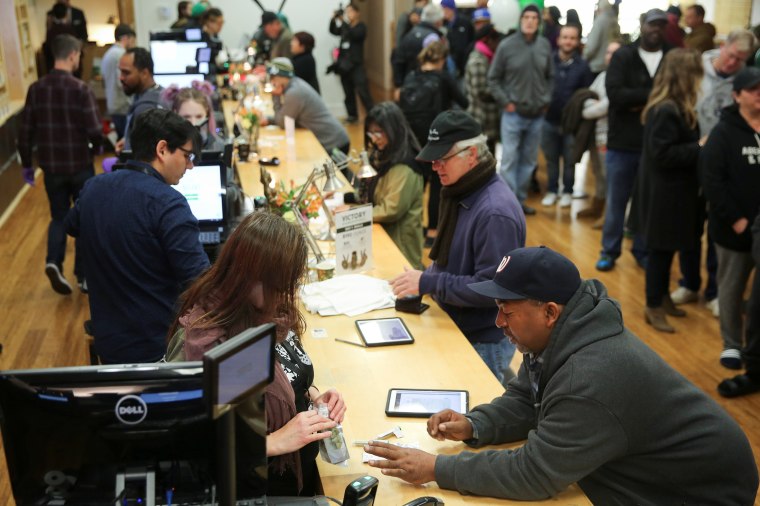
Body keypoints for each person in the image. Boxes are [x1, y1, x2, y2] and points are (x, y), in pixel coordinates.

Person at [366, 246, 759, 504]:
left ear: (550, 311)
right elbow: (527, 398)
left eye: (507, 309)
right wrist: (475, 424)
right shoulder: (563, 332)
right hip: (651, 469)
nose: (498, 321)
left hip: (699, 494)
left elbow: (534, 474)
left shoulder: (588, 378)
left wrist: (437, 468)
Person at [165, 211, 346, 496]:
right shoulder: (212, 345)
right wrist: (274, 441)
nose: (289, 294)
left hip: (295, 474)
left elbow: (281, 376)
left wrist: (311, 395)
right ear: (251, 280)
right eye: (284, 285)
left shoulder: (270, 312)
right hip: (258, 487)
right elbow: (196, 442)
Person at [390, 110, 526, 385]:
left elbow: (491, 289)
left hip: (480, 339)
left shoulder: (494, 213)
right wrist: (426, 277)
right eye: (433, 159)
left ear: (472, 154)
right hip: (456, 323)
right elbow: (453, 259)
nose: (435, 166)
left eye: (443, 159)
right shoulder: (460, 190)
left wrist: (429, 282)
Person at [65, 109, 210, 364]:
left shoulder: (93, 187)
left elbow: (72, 225)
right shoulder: (169, 204)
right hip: (157, 348)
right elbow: (200, 283)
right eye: (187, 156)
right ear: (162, 149)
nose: (190, 165)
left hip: (108, 342)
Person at [674, 29, 756, 317]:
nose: (734, 63)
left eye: (741, 59)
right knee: (689, 226)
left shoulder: (746, 81)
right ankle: (689, 282)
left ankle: (715, 291)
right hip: (694, 155)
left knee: (718, 231)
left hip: (725, 162)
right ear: (724, 47)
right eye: (731, 55)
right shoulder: (698, 68)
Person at [18, 34, 102, 295]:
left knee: (58, 217)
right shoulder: (80, 89)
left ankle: (53, 262)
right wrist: (97, 147)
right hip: (79, 166)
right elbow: (95, 129)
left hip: (52, 168)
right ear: (73, 55)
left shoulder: (36, 89)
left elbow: (25, 132)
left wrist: (26, 165)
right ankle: (84, 276)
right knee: (85, 218)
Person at [631, 48, 704, 333]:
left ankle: (662, 298)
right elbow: (663, 155)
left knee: (668, 250)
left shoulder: (674, 106)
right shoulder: (666, 110)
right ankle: (653, 305)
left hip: (672, 192)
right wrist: (699, 147)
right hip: (664, 194)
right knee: (659, 254)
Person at [596, 9, 670, 272]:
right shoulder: (624, 56)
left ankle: (642, 249)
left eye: (661, 25)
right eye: (652, 24)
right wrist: (653, 96)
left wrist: (637, 101)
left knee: (646, 203)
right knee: (617, 202)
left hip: (656, 145)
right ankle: (609, 250)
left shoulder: (670, 56)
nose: (656, 30)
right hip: (622, 144)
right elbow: (616, 96)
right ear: (642, 25)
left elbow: (673, 97)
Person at [701, 66, 760, 371]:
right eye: (753, 89)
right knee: (731, 288)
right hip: (734, 229)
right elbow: (712, 181)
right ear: (737, 95)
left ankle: (754, 347)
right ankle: (732, 344)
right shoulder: (724, 132)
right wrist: (736, 219)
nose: (759, 93)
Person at [400, 41, 469, 248]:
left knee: (418, 183)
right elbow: (463, 101)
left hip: (413, 138)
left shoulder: (411, 76)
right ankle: (432, 231)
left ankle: (412, 226)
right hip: (436, 138)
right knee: (438, 184)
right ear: (442, 59)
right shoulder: (443, 78)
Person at [487, 4, 553, 216]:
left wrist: (546, 99)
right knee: (509, 161)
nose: (530, 21)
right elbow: (493, 78)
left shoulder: (544, 45)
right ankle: (507, 206)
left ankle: (520, 201)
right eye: (527, 17)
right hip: (513, 114)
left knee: (528, 161)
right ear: (520, 20)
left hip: (537, 115)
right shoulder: (506, 46)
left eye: (535, 17)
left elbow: (551, 76)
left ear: (539, 22)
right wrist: (506, 101)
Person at [361, 102, 424, 269]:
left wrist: (355, 215)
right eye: (371, 132)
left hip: (401, 246)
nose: (374, 139)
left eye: (378, 132)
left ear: (393, 130)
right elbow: (375, 188)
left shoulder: (405, 167)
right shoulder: (384, 153)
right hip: (387, 235)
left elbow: (391, 209)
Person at [540, 24, 593, 208]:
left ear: (577, 41)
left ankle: (568, 191)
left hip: (572, 124)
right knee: (551, 159)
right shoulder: (549, 61)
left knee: (570, 161)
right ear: (558, 39)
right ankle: (552, 190)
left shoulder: (583, 66)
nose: (568, 41)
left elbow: (587, 94)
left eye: (572, 38)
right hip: (549, 120)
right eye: (565, 37)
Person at [260, 58, 350, 156]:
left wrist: (275, 95)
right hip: (333, 139)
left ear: (281, 76)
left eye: (273, 77)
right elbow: (288, 117)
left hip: (334, 144)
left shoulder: (294, 93)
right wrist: (268, 120)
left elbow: (283, 122)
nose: (272, 81)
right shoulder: (295, 84)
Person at [578, 40, 621, 227]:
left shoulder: (622, 78)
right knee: (598, 173)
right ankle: (597, 206)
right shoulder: (602, 76)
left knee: (609, 176)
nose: (610, 56)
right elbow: (586, 99)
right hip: (595, 133)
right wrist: (594, 105)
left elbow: (606, 105)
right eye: (608, 52)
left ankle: (608, 216)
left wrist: (594, 106)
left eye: (615, 53)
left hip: (611, 135)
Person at [329, 3, 374, 123]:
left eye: (351, 11)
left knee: (363, 91)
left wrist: (343, 21)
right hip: (344, 65)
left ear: (357, 12)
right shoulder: (345, 27)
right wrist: (333, 19)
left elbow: (354, 35)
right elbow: (333, 31)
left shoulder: (361, 27)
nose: (349, 14)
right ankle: (352, 115)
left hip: (356, 64)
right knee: (348, 92)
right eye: (347, 11)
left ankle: (373, 115)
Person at [118, 47, 163, 153]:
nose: (121, 78)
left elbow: (143, 154)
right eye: (121, 72)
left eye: (126, 73)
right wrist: (127, 141)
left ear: (144, 73)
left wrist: (127, 150)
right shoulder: (161, 94)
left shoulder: (145, 109)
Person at [465, 24, 501, 154]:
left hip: (488, 120)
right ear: (487, 40)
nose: (498, 45)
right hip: (482, 120)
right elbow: (480, 91)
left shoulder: (486, 57)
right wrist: (501, 92)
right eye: (496, 41)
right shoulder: (478, 61)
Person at [392, 3, 444, 89]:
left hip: (409, 82)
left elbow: (399, 59)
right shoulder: (433, 38)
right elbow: (437, 67)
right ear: (438, 22)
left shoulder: (410, 33)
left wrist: (399, 84)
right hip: (426, 86)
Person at [163, 83, 225, 152]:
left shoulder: (219, 146)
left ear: (207, 114)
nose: (193, 123)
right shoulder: (163, 149)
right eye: (186, 117)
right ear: (175, 114)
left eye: (199, 117)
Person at [101, 24, 136, 140]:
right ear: (125, 38)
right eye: (132, 40)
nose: (133, 44)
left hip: (113, 103)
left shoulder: (108, 54)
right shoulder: (121, 54)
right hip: (122, 105)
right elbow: (121, 81)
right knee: (126, 142)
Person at [583, 0, 620, 76]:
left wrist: (584, 57)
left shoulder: (600, 21)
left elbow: (592, 45)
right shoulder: (614, 20)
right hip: (610, 64)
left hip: (596, 66)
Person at [440, 0, 473, 77]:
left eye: (443, 8)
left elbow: (469, 41)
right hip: (450, 61)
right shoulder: (444, 24)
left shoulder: (464, 22)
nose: (442, 12)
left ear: (449, 9)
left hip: (464, 61)